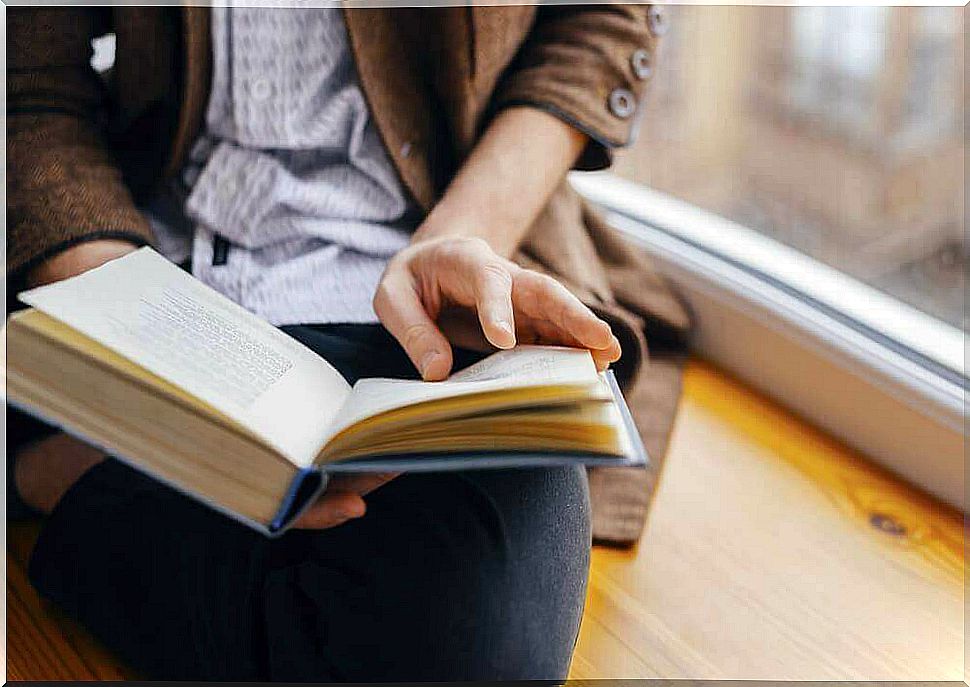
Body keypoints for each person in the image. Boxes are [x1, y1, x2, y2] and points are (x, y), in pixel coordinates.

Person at [7, 5, 678, 681]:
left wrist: (460, 237)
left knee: (485, 636)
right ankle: (116, 463)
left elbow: (600, 17)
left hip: (427, 276)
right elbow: (27, 84)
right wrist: (138, 342)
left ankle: (66, 472)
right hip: (140, 257)